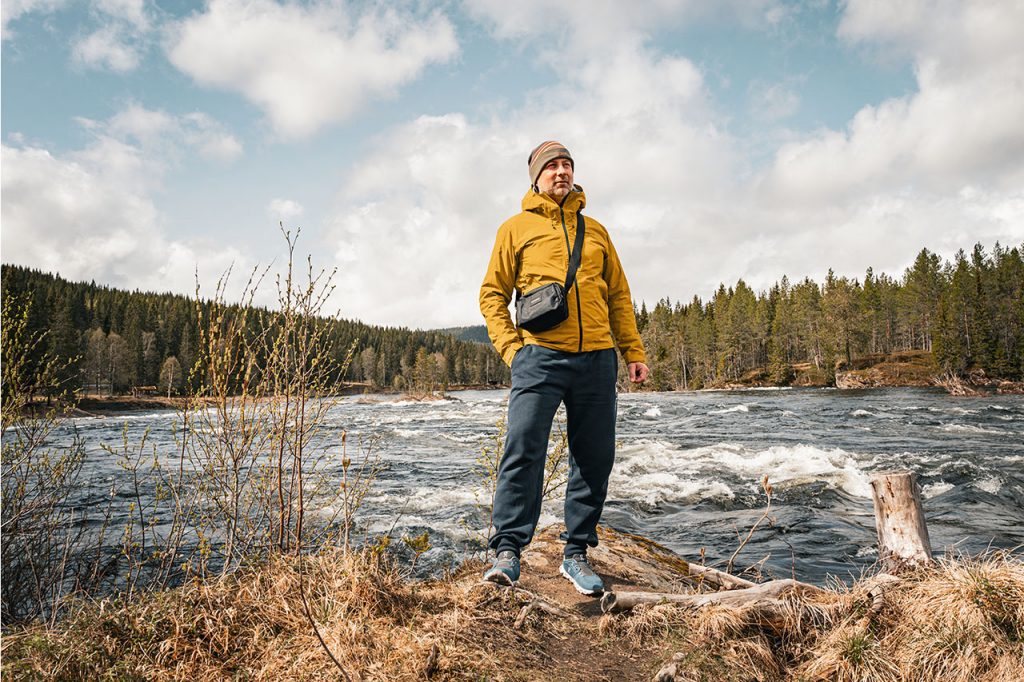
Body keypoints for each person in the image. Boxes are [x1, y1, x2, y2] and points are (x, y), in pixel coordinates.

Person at [478, 141, 649, 595]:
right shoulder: (515, 229)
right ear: (535, 177)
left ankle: (575, 554)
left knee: (594, 459)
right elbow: (492, 294)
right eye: (552, 166)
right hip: (539, 357)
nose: (561, 172)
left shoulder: (596, 232)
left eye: (567, 165)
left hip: (596, 359)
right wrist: (513, 351)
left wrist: (632, 352)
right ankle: (508, 552)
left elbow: (618, 295)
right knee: (523, 451)